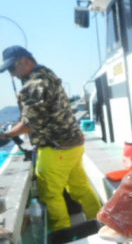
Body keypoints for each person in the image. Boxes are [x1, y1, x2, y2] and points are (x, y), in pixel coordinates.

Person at [0, 46, 102, 231]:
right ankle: (102, 220)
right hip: (74, 144)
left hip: (56, 150)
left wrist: (6, 135)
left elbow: (30, 123)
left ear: (25, 61)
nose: (12, 75)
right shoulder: (47, 74)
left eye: (12, 68)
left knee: (51, 194)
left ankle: (62, 232)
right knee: (80, 187)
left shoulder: (32, 86)